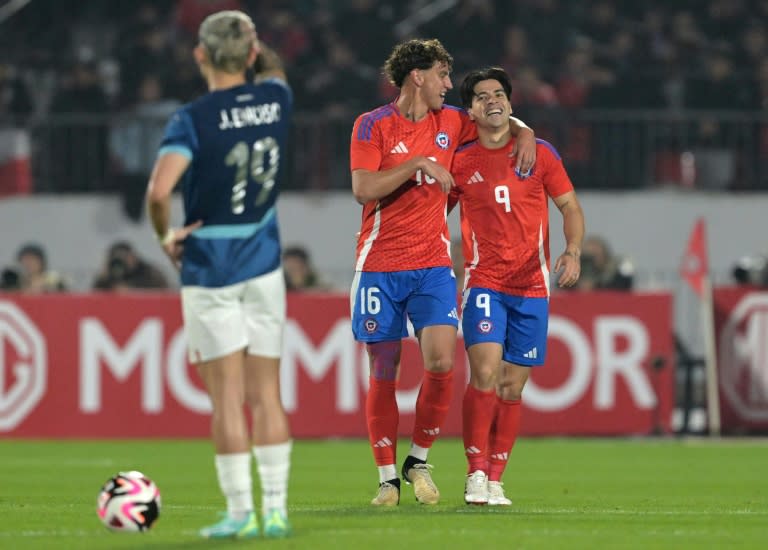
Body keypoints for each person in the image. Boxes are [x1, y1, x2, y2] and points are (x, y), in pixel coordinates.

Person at [349, 38, 537, 507]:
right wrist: (416, 164)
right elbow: (362, 187)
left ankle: (419, 459)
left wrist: (526, 129)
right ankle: (387, 478)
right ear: (418, 76)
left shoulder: (451, 121)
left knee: (441, 363)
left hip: (432, 265)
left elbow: (496, 118)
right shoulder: (371, 124)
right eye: (442, 76)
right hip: (377, 266)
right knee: (385, 370)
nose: (449, 86)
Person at [145, 11, 292, 539]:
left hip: (210, 268)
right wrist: (256, 45)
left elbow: (160, 193)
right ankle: (275, 510)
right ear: (252, 54)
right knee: (267, 394)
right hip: (264, 264)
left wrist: (167, 236)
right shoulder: (278, 97)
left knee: (227, 398)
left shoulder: (192, 117)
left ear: (200, 55)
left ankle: (240, 513)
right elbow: (273, 71)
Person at [449, 67, 584, 505]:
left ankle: (496, 476)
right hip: (485, 281)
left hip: (531, 286)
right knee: (485, 373)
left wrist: (574, 250)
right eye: (483, 96)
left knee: (512, 387)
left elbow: (569, 206)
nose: (493, 100)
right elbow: (435, 212)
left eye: (500, 94)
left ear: (511, 102)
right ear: (470, 109)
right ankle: (474, 472)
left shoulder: (540, 153)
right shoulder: (461, 159)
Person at [92, 241, 170, 291]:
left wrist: (133, 291)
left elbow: (164, 293)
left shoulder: (148, 272)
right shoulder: (109, 273)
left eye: (125, 257)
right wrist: (103, 277)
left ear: (132, 257)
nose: (121, 262)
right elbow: (94, 294)